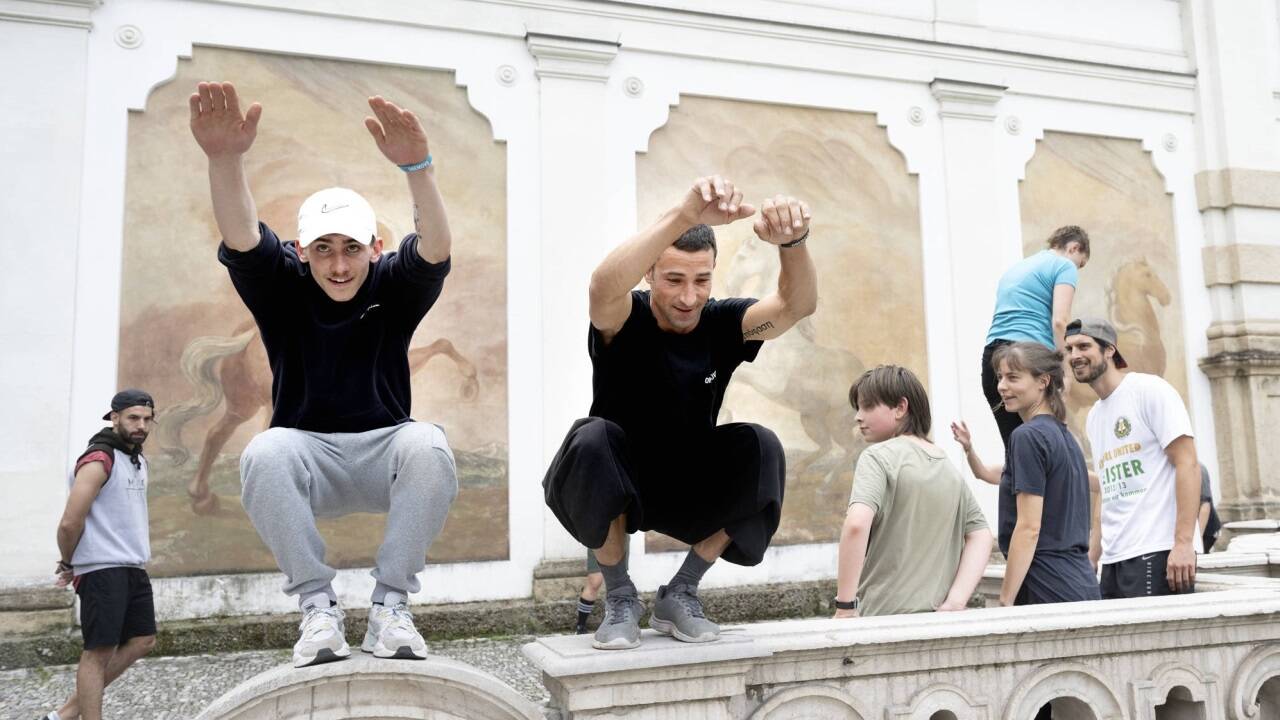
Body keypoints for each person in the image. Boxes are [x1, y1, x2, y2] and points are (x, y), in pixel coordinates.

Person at [189, 81, 458, 666]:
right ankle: (318, 608)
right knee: (264, 451)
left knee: (429, 445)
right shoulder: (282, 285)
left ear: (376, 248)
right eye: (323, 249)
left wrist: (419, 169)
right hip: (307, 458)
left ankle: (390, 608)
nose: (338, 265)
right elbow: (242, 234)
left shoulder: (392, 284)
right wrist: (224, 159)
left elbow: (435, 248)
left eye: (352, 248)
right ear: (300, 250)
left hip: (383, 454)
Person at [543, 175, 817, 650]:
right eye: (674, 280)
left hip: (689, 482)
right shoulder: (622, 317)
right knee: (591, 437)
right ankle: (620, 597)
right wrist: (686, 213)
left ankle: (682, 591)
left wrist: (793, 243)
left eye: (701, 280)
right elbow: (601, 287)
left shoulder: (723, 323)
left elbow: (797, 306)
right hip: (617, 481)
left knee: (761, 446)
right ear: (649, 274)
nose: (689, 297)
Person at [833, 366, 992, 619]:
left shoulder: (876, 457)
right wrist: (955, 601)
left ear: (900, 407)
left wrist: (845, 607)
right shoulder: (946, 465)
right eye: (858, 408)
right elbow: (981, 535)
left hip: (882, 618)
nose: (858, 417)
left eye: (868, 406)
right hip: (937, 620)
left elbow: (856, 525)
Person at [1065, 318, 1202, 598]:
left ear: (1109, 350)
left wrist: (1183, 543)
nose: (1074, 355)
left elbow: (1187, 463)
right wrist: (1093, 555)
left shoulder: (1149, 390)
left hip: (1157, 549)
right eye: (1069, 349)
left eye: (1083, 346)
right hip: (1114, 558)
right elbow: (1107, 488)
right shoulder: (1095, 416)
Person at [44, 390, 158, 720]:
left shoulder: (136, 460)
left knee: (143, 640)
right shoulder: (98, 459)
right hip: (102, 568)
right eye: (133, 418)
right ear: (114, 417)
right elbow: (70, 522)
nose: (141, 425)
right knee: (99, 651)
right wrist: (68, 562)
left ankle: (64, 714)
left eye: (147, 419)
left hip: (132, 565)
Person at [985, 342, 1100, 608]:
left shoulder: (1027, 437)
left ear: (1043, 381)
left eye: (1013, 377)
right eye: (1000, 377)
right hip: (1081, 582)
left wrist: (1005, 599)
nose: (1002, 386)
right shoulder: (1066, 437)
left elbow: (1029, 527)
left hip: (1046, 585)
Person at [982, 226, 1090, 448]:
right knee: (1049, 441)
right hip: (1030, 356)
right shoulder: (1064, 265)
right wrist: (1066, 371)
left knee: (1016, 447)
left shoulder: (1016, 269)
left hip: (994, 360)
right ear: (1074, 248)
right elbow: (1060, 321)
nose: (1076, 271)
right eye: (1081, 264)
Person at [574, 547, 627, 634]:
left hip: (620, 540)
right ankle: (580, 626)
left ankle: (617, 623)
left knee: (617, 579)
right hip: (598, 540)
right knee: (595, 581)